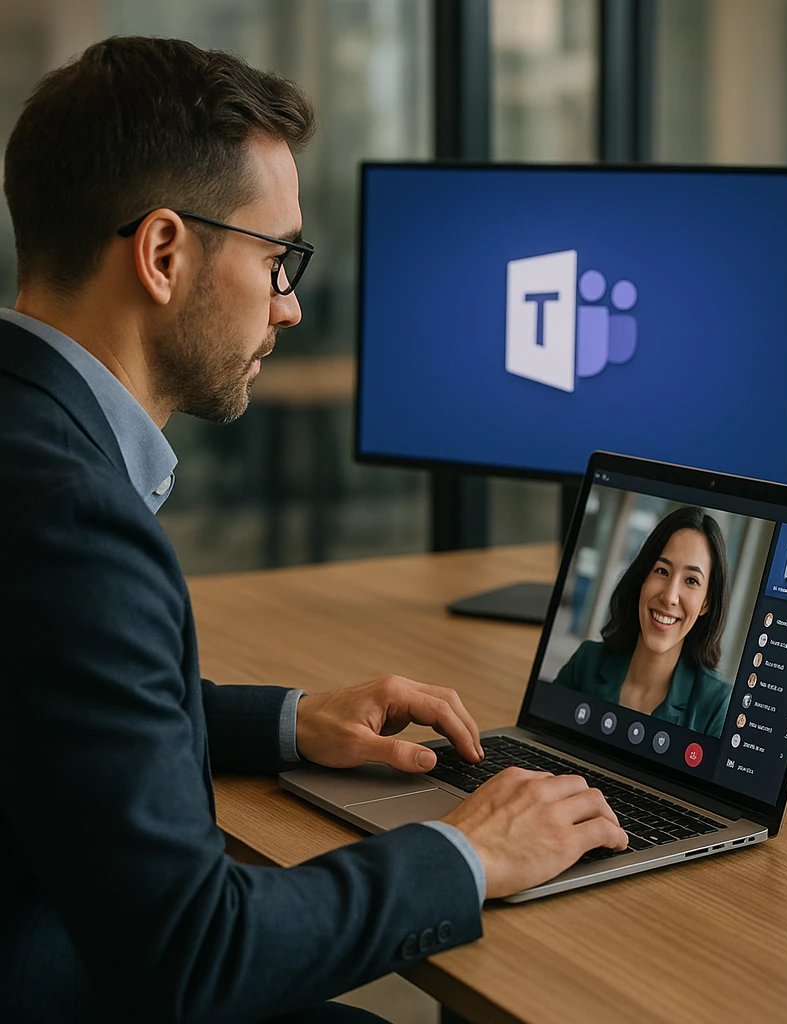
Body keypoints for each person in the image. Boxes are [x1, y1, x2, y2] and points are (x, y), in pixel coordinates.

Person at [0, 38, 627, 1024]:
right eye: (275, 256)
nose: (290, 306)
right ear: (164, 253)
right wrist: (469, 850)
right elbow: (194, 959)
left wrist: (290, 722)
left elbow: (53, 702)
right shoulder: (73, 519)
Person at [553, 506, 732, 738]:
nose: (669, 596)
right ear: (642, 578)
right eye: (662, 571)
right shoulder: (587, 662)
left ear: (706, 603)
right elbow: (540, 736)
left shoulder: (716, 704)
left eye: (691, 580)